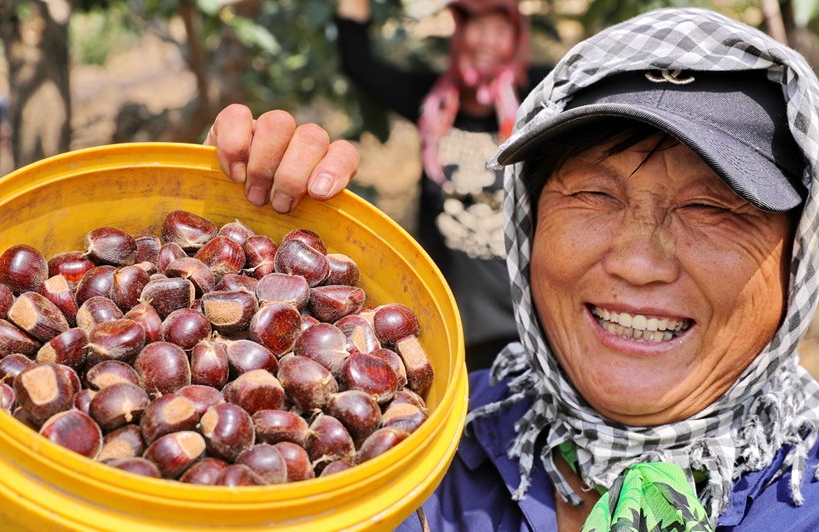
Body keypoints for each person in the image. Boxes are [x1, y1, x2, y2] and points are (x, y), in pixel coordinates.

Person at [206, 7, 819, 530]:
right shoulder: (419, 449)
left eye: (712, 208)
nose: (637, 263)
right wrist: (237, 264)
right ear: (527, 218)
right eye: (593, 196)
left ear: (800, 252)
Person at [332, 0, 553, 372]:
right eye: (476, 26)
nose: (486, 41)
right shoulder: (430, 99)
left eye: (500, 30)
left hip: (520, 324)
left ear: (516, 41)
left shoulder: (536, 101)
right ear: (458, 32)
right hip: (447, 320)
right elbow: (359, 63)